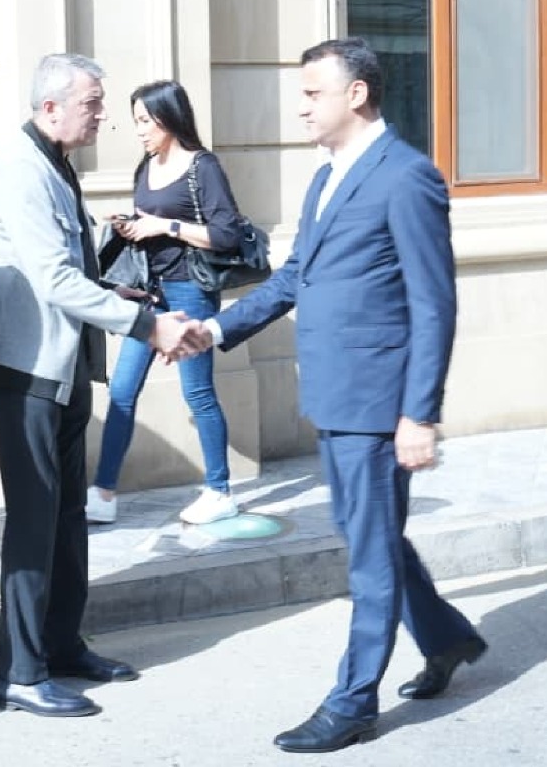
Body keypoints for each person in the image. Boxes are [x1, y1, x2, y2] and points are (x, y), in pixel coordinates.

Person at [181, 37, 486, 754]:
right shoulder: (327, 178)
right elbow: (296, 278)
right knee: (368, 533)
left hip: (379, 404)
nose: (301, 107)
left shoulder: (406, 177)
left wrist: (420, 413)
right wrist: (214, 329)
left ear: (357, 94)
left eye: (313, 93)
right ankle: (446, 638)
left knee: (369, 554)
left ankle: (353, 702)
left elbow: (433, 304)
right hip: (337, 395)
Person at [0, 53, 198, 719]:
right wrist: (147, 325)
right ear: (51, 108)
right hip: (26, 368)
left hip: (62, 363)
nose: (103, 115)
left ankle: (62, 646)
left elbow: (64, 267)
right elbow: (51, 280)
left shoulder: (54, 162)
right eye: (92, 103)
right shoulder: (21, 170)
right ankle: (18, 673)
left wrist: (110, 290)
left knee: (68, 513)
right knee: (34, 518)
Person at [86, 80, 244, 527]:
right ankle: (103, 492)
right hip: (149, 293)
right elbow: (149, 223)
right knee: (122, 389)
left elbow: (226, 234)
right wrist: (131, 226)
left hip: (191, 292)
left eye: (145, 121)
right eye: (135, 121)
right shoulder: (146, 166)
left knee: (197, 392)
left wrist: (165, 226)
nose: (138, 130)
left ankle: (219, 491)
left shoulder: (202, 167)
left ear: (168, 118)